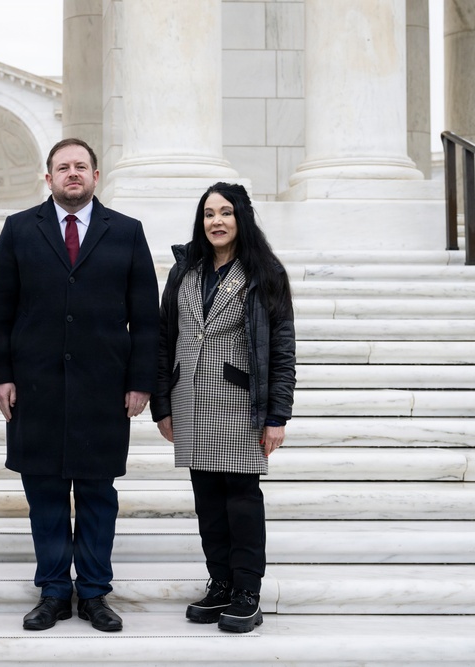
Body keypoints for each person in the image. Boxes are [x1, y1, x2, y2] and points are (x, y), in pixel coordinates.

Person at [0, 138, 160, 632]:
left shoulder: (126, 232)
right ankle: (54, 591)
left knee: (98, 494)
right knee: (44, 492)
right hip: (35, 387)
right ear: (49, 178)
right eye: (63, 167)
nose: (72, 174)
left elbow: (146, 317)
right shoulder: (19, 229)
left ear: (96, 176)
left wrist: (141, 381)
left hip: (104, 388)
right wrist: (0, 376)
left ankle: (96, 593)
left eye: (81, 166)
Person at [150, 182, 296, 634]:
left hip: (241, 404)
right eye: (209, 213)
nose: (216, 221)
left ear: (241, 218)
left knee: (242, 501)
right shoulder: (185, 270)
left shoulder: (265, 272)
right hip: (190, 400)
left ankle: (247, 593)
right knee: (207, 501)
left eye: (226, 212)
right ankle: (221, 584)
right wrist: (161, 404)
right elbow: (164, 339)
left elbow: (281, 348)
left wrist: (277, 415)